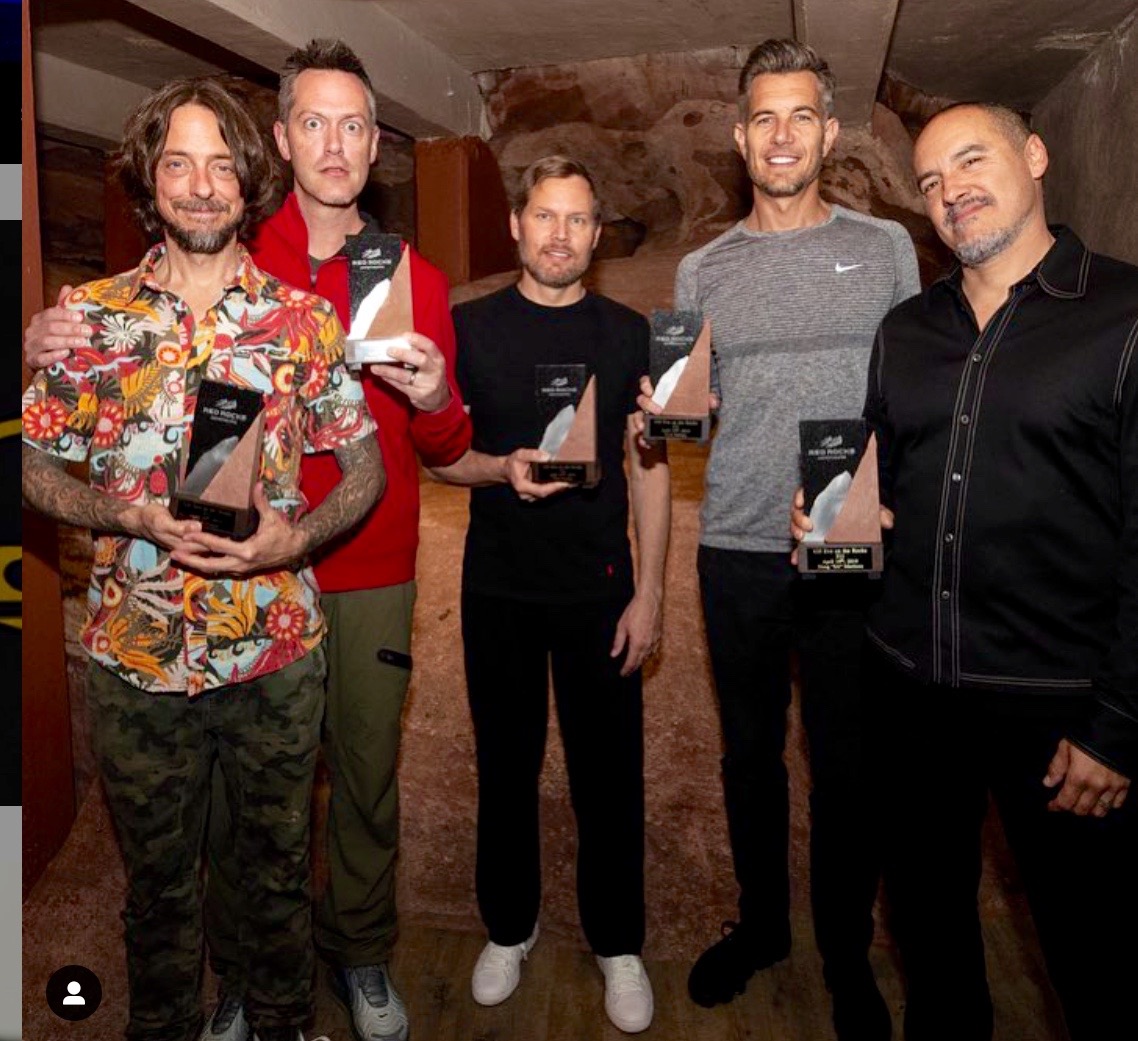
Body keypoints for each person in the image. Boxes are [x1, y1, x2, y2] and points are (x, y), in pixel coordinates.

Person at [24, 41, 472, 1041]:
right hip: (146, 641)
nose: (201, 184)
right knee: (176, 868)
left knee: (315, 826)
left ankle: (319, 987)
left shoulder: (337, 306)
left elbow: (392, 458)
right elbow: (38, 457)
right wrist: (122, 510)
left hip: (297, 622)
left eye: (221, 166)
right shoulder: (103, 311)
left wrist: (293, 539)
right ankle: (200, 1001)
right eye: (178, 164)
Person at [791, 101, 1138, 1041]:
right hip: (910, 697)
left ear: (1036, 155)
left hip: (1059, 711)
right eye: (932, 181)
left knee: (1096, 962)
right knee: (933, 946)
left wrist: (1118, 728)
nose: (952, 192)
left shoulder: (1125, 315)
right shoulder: (905, 330)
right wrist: (832, 522)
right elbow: (882, 487)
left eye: (972, 161)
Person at [641, 38, 919, 1039]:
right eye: (764, 117)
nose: (782, 134)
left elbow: (913, 393)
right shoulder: (702, 268)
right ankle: (761, 926)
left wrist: (897, 503)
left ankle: (847, 955)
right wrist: (664, 415)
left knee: (847, 765)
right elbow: (693, 415)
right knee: (749, 755)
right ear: (739, 136)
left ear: (829, 132)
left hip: (849, 544)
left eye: (801, 115)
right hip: (739, 546)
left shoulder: (884, 248)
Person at [428, 155, 670, 1034]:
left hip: (599, 588)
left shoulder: (632, 333)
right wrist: (500, 468)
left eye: (576, 219)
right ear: (517, 225)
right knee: (505, 764)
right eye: (544, 215)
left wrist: (652, 592)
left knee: (609, 772)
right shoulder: (468, 328)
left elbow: (650, 469)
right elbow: (441, 458)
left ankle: (618, 942)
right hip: (496, 585)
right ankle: (509, 926)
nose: (559, 234)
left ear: (596, 235)